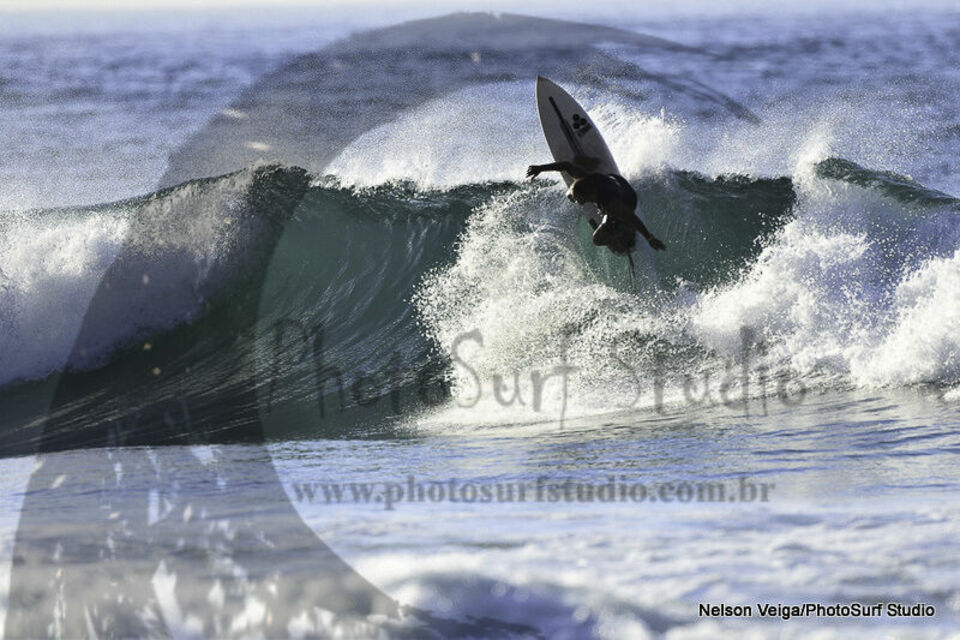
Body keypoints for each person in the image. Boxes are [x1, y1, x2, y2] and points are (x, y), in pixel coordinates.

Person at [526, 160, 666, 254]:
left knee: (597, 240)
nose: (580, 203)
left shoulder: (611, 206)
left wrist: (649, 238)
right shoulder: (584, 178)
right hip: (614, 181)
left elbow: (632, 218)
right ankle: (588, 162)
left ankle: (622, 232)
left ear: (591, 194)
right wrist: (541, 168)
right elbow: (566, 165)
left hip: (628, 200)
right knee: (570, 195)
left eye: (582, 200)